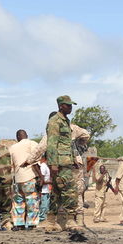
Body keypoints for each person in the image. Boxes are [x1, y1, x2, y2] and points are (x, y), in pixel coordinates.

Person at [45, 95, 79, 231]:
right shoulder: (55, 121)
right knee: (70, 191)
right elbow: (52, 144)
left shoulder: (66, 121)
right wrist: (53, 163)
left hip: (65, 162)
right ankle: (70, 220)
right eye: (68, 105)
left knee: (56, 193)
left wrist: (73, 159)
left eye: (71, 105)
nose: (70, 107)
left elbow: (67, 144)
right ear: (60, 106)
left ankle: (52, 222)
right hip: (59, 163)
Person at [8, 129, 41, 230]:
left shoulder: (12, 148)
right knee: (32, 201)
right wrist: (40, 177)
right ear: (27, 135)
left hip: (18, 179)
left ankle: (19, 223)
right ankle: (31, 224)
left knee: (18, 202)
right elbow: (36, 161)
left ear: (17, 138)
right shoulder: (32, 144)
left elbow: (11, 166)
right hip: (30, 177)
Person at [38, 156, 52, 222]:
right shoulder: (43, 166)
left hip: (46, 190)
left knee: (46, 207)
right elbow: (41, 180)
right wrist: (51, 182)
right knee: (43, 207)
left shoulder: (46, 166)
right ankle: (41, 220)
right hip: (43, 190)